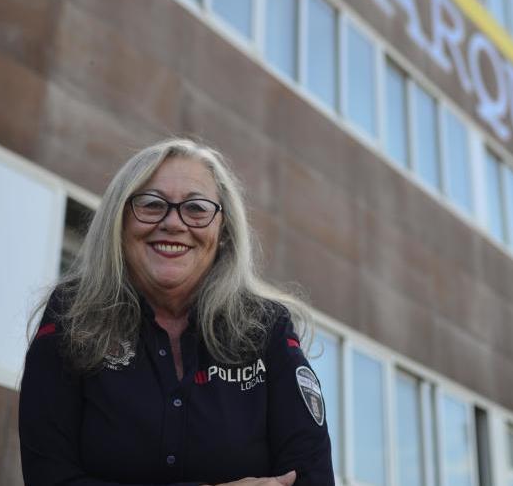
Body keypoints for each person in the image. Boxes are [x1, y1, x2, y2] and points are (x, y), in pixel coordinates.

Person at [19, 138, 334, 486]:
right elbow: (49, 478)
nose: (173, 223)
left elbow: (310, 476)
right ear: (119, 222)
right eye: (152, 204)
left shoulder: (266, 328)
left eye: (197, 208)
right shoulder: (72, 317)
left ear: (223, 231)